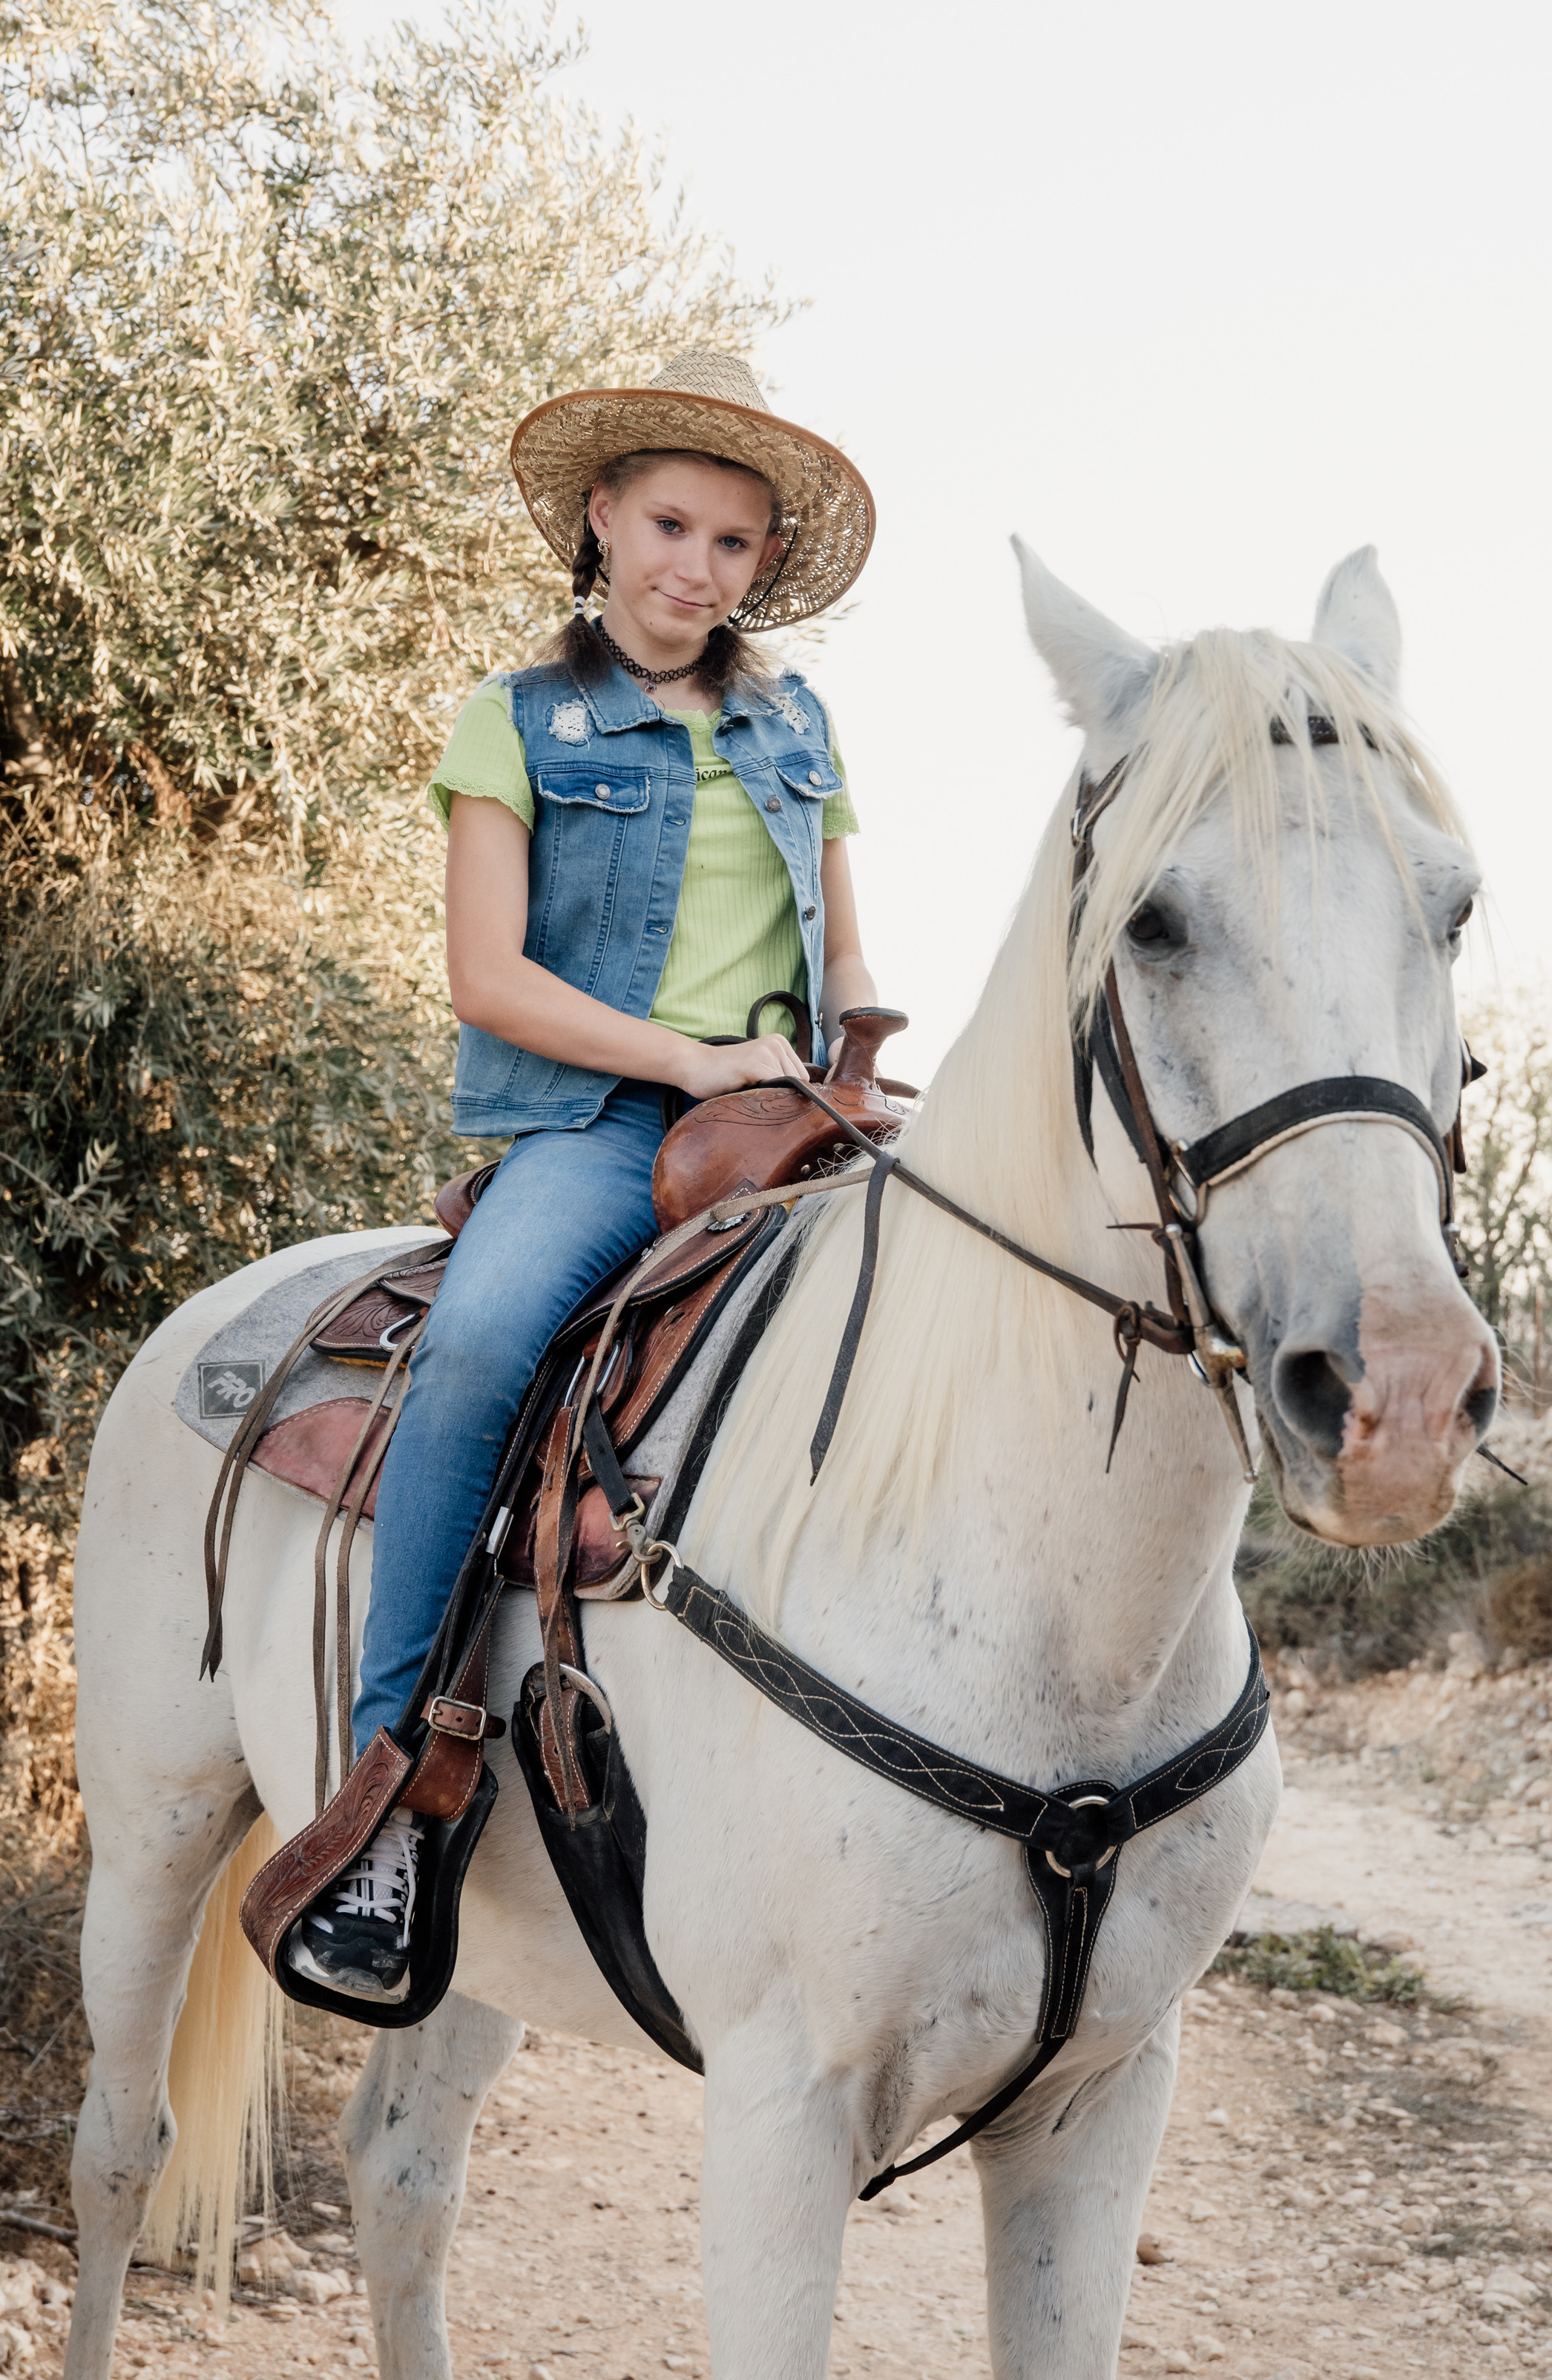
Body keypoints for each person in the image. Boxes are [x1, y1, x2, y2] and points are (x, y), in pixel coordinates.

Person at [288, 349, 880, 1998]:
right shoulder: (519, 720)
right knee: (478, 1347)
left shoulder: (795, 722)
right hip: (612, 1124)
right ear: (603, 519)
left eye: (734, 544)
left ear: (761, 569)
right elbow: (487, 973)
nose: (695, 565)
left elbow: (842, 944)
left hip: (793, 1121)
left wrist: (855, 1074)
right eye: (670, 523)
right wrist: (690, 1062)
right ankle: (386, 1800)